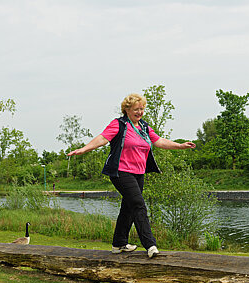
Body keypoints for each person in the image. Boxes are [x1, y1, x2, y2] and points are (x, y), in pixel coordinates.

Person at [67, 93, 196, 258]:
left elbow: (159, 141)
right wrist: (84, 149)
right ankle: (150, 245)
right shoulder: (119, 124)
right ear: (126, 109)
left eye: (142, 109)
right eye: (136, 109)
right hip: (121, 172)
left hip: (138, 173)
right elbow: (102, 138)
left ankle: (118, 243)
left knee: (128, 207)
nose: (140, 112)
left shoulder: (143, 127)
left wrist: (180, 145)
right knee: (138, 205)